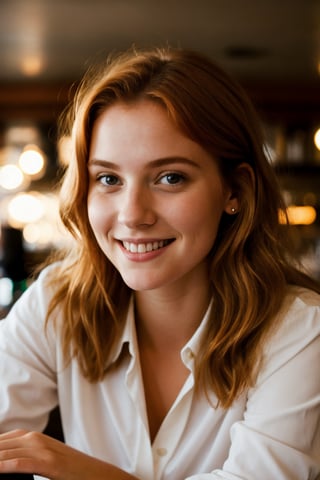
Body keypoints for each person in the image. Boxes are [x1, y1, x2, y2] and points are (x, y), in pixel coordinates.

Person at [0, 46, 319, 480]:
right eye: (108, 179)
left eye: (170, 177)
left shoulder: (300, 331)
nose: (132, 214)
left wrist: (83, 473)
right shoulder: (57, 302)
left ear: (235, 191)